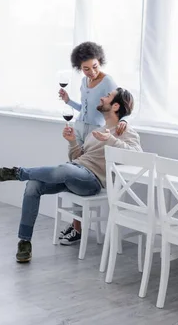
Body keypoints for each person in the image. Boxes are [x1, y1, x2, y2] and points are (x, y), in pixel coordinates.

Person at [0, 87, 142, 263]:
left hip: (92, 181)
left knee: (65, 169)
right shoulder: (98, 130)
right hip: (75, 171)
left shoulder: (125, 131)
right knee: (33, 185)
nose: (102, 98)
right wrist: (72, 142)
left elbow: (137, 156)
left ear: (115, 106)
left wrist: (111, 139)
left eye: (107, 96)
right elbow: (79, 157)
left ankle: (18, 172)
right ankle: (24, 242)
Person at [58, 41, 128, 241]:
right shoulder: (83, 82)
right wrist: (68, 101)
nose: (91, 72)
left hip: (95, 134)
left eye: (95, 67)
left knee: (82, 175)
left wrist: (122, 122)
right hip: (79, 128)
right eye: (86, 69)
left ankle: (77, 228)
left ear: (100, 62)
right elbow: (85, 109)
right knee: (73, 173)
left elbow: (118, 105)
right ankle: (76, 225)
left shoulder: (108, 82)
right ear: (79, 68)